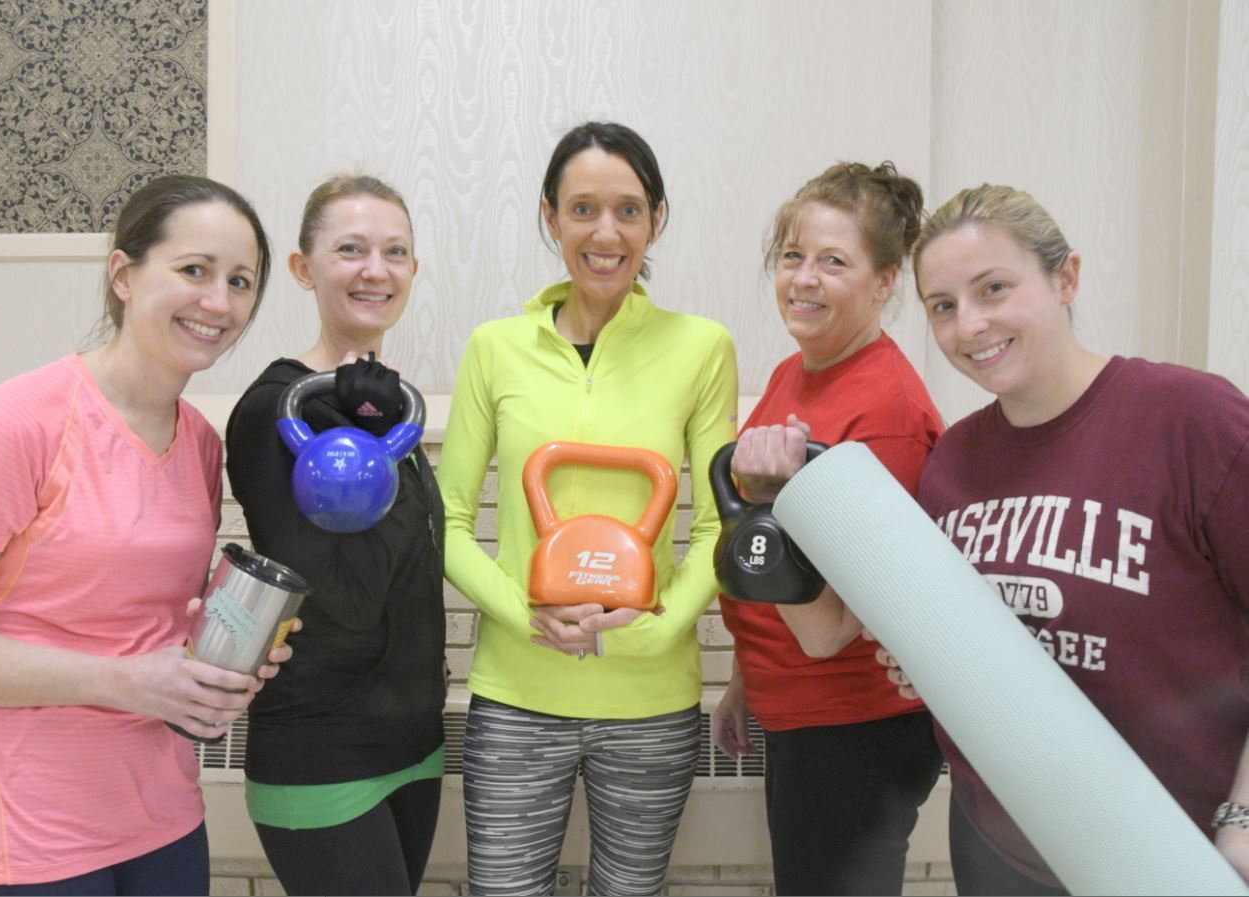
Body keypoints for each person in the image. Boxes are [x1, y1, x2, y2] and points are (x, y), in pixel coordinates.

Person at [0, 175, 288, 896]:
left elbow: (141, 618)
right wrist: (125, 681)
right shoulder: (14, 424)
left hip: (161, 816)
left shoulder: (201, 442)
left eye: (240, 281)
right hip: (17, 838)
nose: (219, 301)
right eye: (193, 270)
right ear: (123, 274)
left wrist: (222, 658)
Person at [890, 183, 1249, 894]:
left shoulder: (1192, 420)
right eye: (942, 306)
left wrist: (1241, 822)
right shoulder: (952, 462)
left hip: (1174, 850)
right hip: (998, 845)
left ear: (1066, 277)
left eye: (993, 288)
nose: (969, 325)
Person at [436, 121, 738, 896]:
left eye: (629, 210)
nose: (606, 233)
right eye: (582, 209)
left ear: (656, 219)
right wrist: (524, 613)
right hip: (515, 695)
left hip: (652, 701)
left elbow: (717, 523)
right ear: (549, 217)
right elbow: (448, 518)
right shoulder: (494, 347)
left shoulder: (701, 346)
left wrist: (653, 631)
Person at [712, 162, 946, 895]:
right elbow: (776, 557)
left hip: (854, 726)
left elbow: (829, 630)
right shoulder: (796, 371)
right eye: (792, 255)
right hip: (801, 712)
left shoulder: (885, 413)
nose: (803, 279)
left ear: (884, 283)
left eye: (833, 262)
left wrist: (781, 496)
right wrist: (745, 676)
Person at [224, 174, 445, 897]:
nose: (374, 269)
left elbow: (415, 571)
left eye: (394, 251)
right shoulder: (275, 409)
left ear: (413, 269)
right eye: (349, 249)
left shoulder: (383, 399)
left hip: (413, 744)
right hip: (320, 750)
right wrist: (371, 426)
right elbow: (344, 597)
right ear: (302, 268)